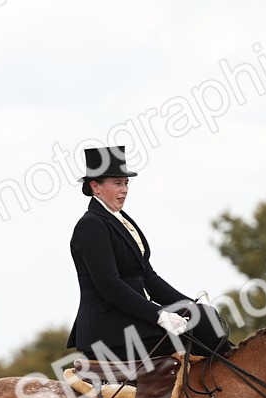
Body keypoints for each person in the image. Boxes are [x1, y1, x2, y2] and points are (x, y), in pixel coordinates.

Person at [66, 145, 230, 362]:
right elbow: (110, 286)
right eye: (117, 183)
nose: (124, 189)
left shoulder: (122, 220)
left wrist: (192, 306)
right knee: (194, 332)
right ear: (95, 187)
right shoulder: (91, 225)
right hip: (109, 331)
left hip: (133, 318)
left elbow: (149, 279)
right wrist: (158, 315)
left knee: (205, 317)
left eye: (126, 183)